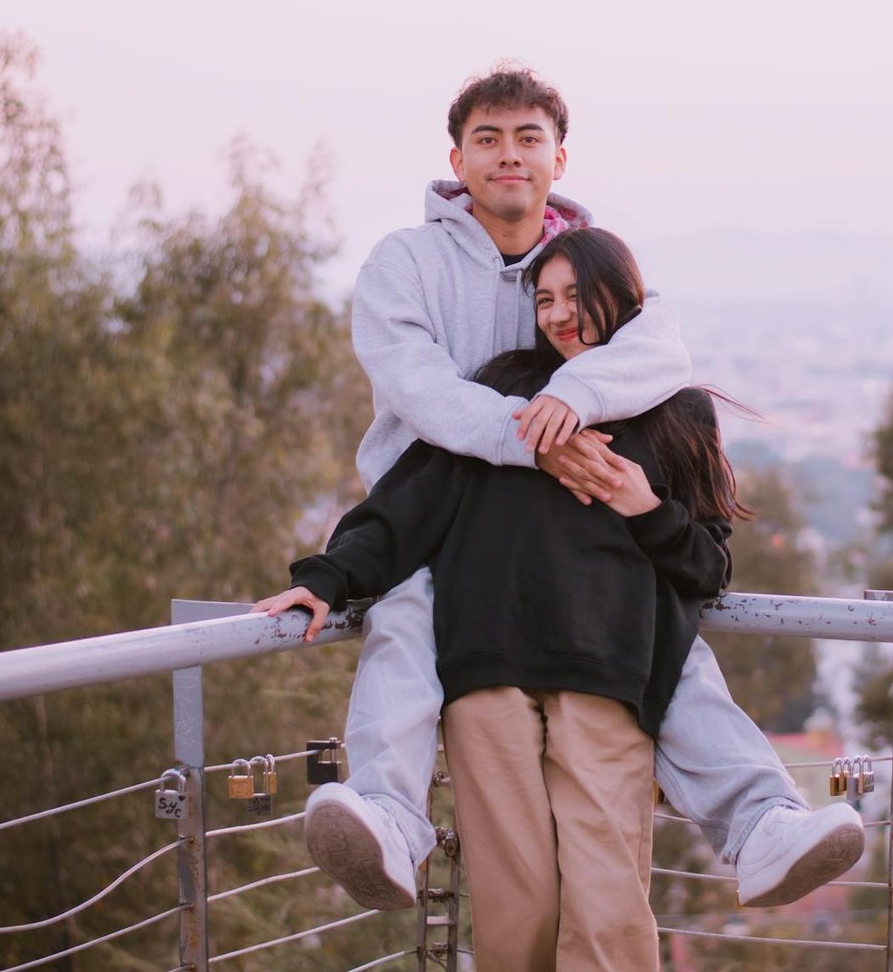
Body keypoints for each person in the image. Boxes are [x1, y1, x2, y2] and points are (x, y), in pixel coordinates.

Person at [287, 66, 862, 915]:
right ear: (457, 156)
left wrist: (574, 402)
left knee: (668, 644)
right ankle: (389, 821)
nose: (508, 156)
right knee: (402, 632)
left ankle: (762, 825)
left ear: (560, 158)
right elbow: (422, 389)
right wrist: (538, 438)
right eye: (488, 139)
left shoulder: (585, 260)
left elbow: (659, 348)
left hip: (567, 531)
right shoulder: (404, 263)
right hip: (422, 515)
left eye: (528, 139)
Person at [258, 228, 736, 968]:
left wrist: (646, 508)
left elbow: (708, 568)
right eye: (544, 299)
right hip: (485, 671)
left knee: (608, 908)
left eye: (576, 294)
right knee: (517, 910)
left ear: (625, 294)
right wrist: (327, 576)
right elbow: (407, 509)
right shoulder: (502, 388)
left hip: (607, 675)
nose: (558, 313)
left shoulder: (678, 410)